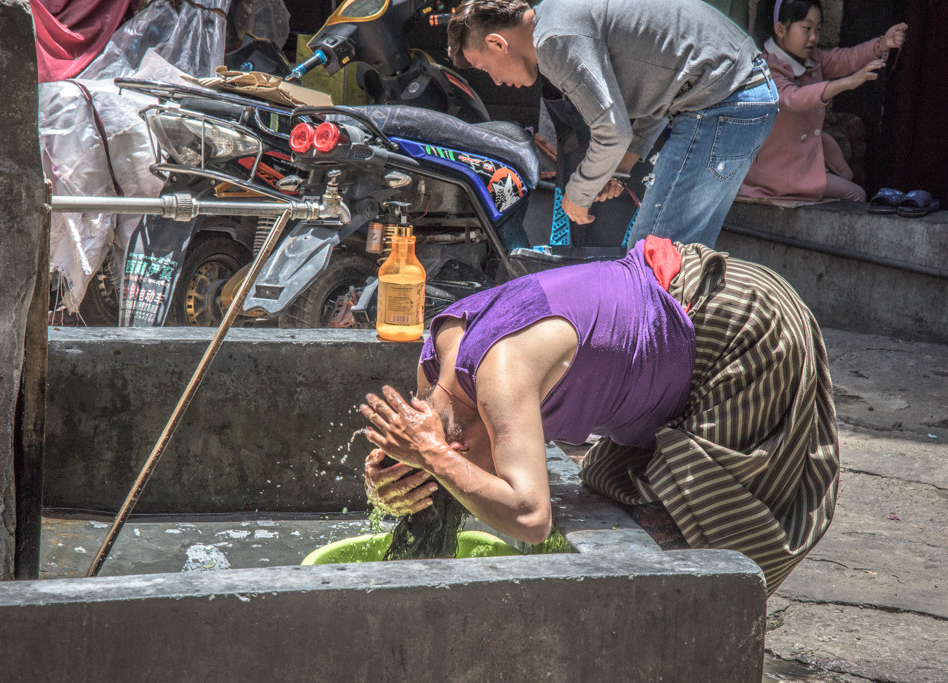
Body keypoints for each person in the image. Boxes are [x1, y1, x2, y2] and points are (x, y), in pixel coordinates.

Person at [360, 236, 839, 595]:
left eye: (465, 464)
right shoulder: (435, 369)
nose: (486, 473)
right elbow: (426, 444)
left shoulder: (501, 377)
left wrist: (434, 459)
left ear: (459, 446)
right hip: (675, 301)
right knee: (613, 478)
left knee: (702, 520)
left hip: (739, 323)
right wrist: (396, 476)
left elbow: (531, 517)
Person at [445, 0, 778, 250]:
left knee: (651, 259)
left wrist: (578, 193)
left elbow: (612, 132)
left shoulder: (553, 40)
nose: (497, 82)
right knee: (676, 258)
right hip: (736, 93)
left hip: (724, 99)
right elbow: (661, 94)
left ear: (497, 44)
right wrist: (618, 169)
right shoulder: (558, 16)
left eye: (485, 68)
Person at [739, 1, 908, 203]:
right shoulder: (766, 67)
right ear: (780, 29)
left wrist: (882, 44)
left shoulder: (812, 59)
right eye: (807, 28)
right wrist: (848, 82)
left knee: (854, 191)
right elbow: (793, 98)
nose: (813, 37)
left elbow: (846, 58)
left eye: (818, 30)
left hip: (800, 164)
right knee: (856, 195)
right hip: (776, 171)